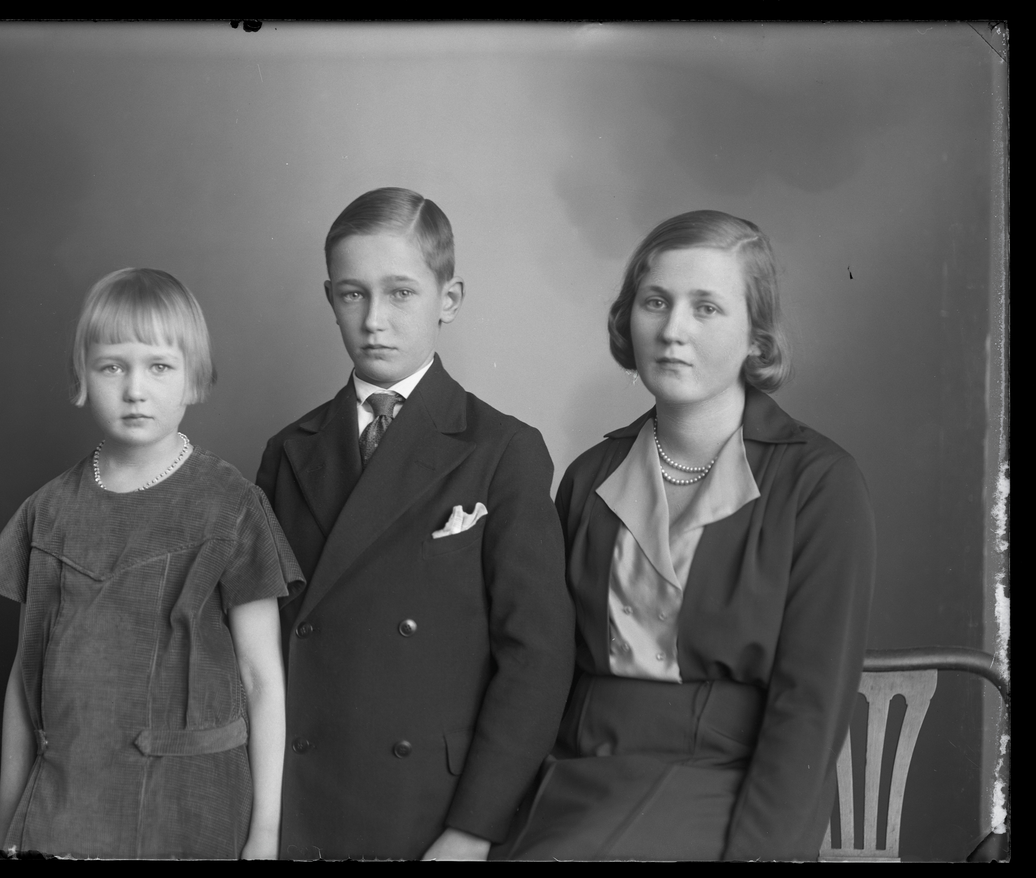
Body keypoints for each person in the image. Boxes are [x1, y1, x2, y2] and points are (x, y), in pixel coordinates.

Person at [499, 210, 875, 861]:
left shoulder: (818, 484)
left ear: (757, 337)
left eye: (706, 308)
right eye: (655, 302)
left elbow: (810, 709)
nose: (673, 330)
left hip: (723, 784)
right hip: (569, 777)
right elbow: (542, 667)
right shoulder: (590, 476)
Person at [256, 187, 575, 860]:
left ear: (448, 299)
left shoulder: (502, 449)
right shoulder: (288, 451)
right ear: (330, 298)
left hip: (432, 808)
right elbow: (257, 652)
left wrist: (473, 829)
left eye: (401, 293)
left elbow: (537, 659)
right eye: (353, 294)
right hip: (303, 798)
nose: (375, 320)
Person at [0, 268, 302, 859]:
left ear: (193, 378)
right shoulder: (48, 511)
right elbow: (23, 684)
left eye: (159, 367)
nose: (134, 389)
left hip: (192, 808)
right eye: (111, 367)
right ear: (82, 377)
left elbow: (261, 679)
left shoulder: (230, 504)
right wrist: (5, 831)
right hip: (70, 810)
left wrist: (266, 831)